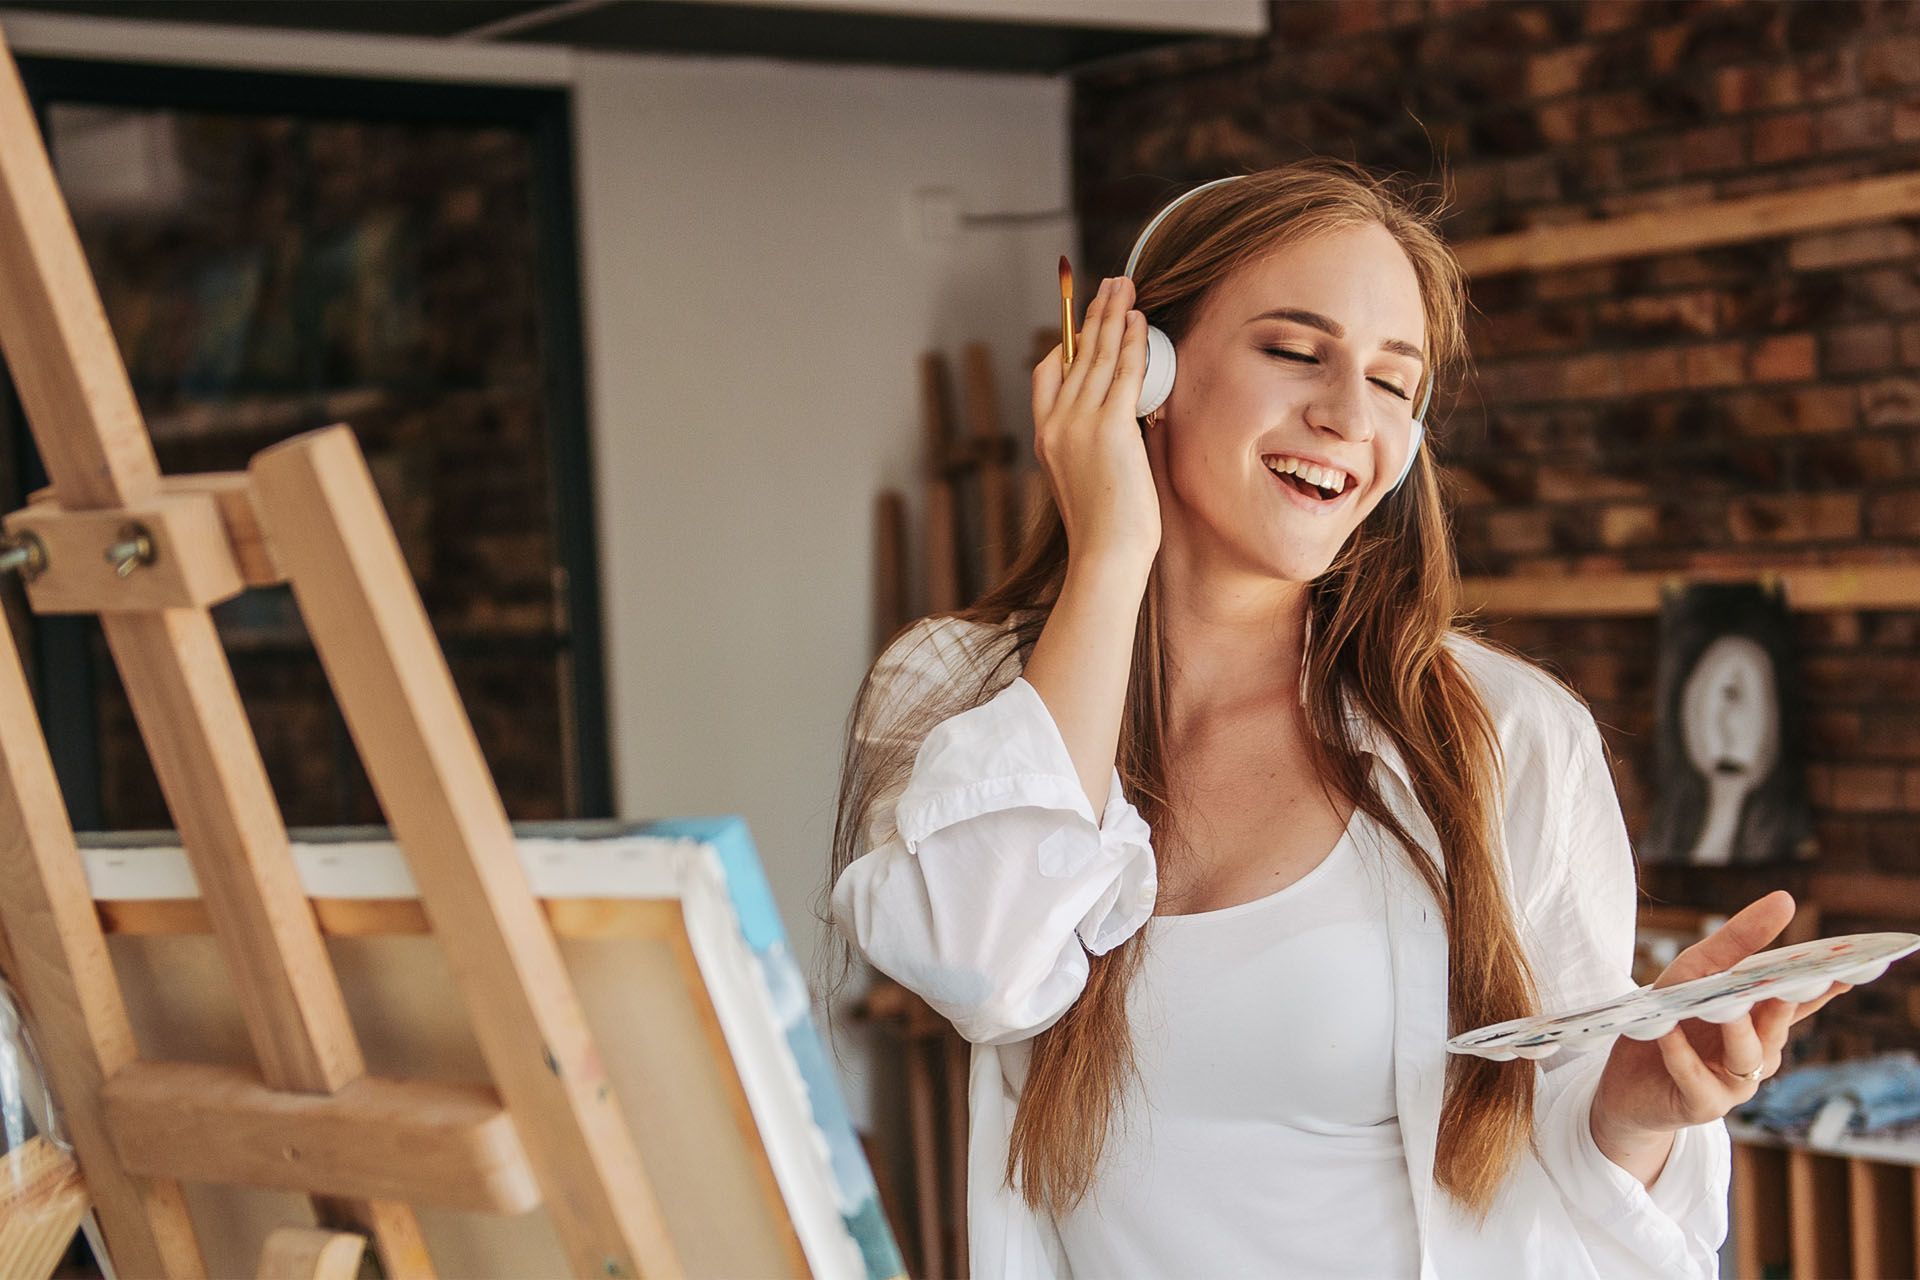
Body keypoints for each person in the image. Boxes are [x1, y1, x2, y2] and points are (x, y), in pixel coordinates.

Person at [820, 157, 1847, 1279]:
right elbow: (980, 961)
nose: (1348, 414)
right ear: (1142, 373)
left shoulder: (1508, 734)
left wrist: (1642, 1105)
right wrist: (1111, 550)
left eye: (1395, 382)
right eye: (1295, 351)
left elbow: (1573, 1171)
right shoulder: (949, 688)